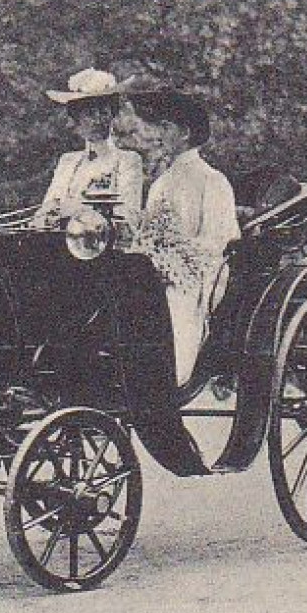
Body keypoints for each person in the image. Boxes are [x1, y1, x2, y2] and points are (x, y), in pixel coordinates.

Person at [118, 82, 241, 386]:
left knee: (168, 301)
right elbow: (149, 233)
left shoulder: (211, 181)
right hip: (156, 273)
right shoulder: (163, 182)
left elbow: (219, 243)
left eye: (165, 127)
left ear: (185, 133)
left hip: (193, 279)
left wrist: (173, 258)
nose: (158, 134)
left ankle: (164, 375)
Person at [33, 68, 144, 231]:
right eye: (90, 113)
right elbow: (46, 210)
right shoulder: (68, 161)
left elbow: (129, 217)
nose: (98, 120)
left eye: (104, 112)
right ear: (76, 120)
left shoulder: (127, 160)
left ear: (112, 115)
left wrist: (74, 210)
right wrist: (44, 219)